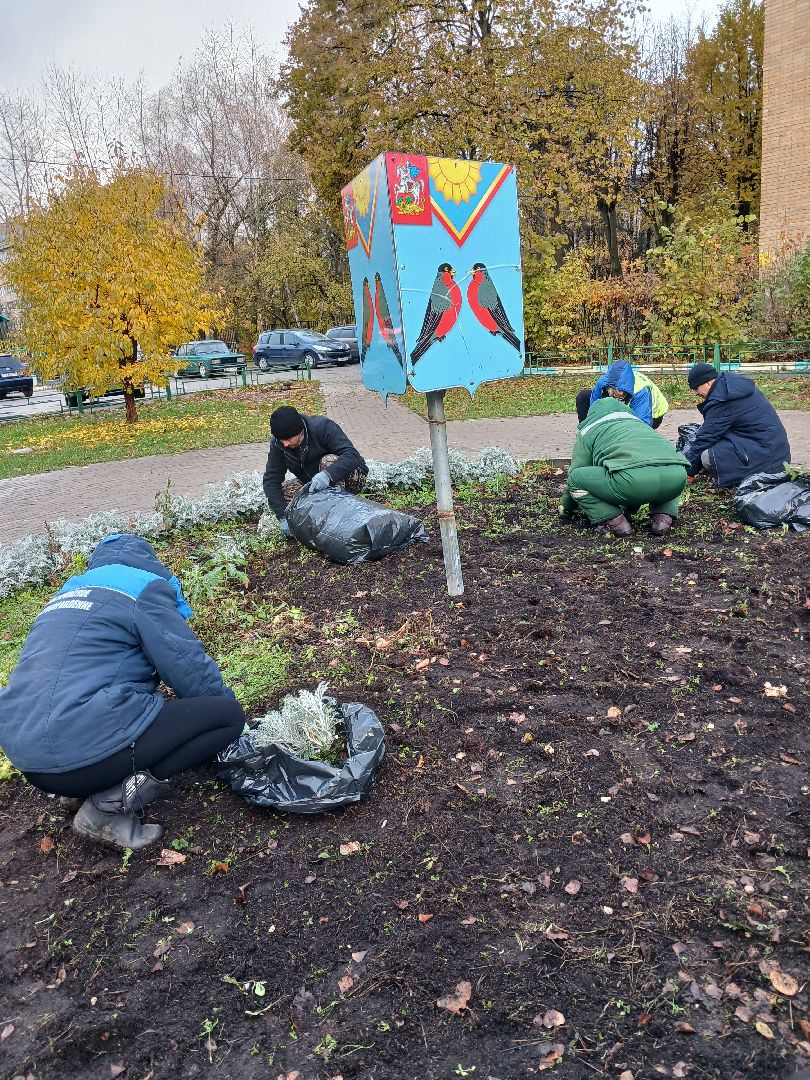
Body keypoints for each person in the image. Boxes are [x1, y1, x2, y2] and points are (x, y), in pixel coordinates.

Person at [0, 535, 244, 850]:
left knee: (139, 713)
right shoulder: (142, 587)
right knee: (225, 717)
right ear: (149, 562)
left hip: (29, 758)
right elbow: (189, 668)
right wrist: (238, 728)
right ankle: (107, 808)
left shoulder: (66, 596)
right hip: (77, 752)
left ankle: (82, 786)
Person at [561, 397, 689, 536]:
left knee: (576, 479)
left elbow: (577, 471)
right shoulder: (639, 423)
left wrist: (567, 506)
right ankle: (663, 519)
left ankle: (615, 522)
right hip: (677, 476)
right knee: (663, 465)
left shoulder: (588, 430)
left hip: (632, 482)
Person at [263, 406, 369, 537]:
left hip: (351, 478)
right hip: (315, 484)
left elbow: (352, 456)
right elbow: (271, 480)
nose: (285, 444)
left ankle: (340, 516)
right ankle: (316, 515)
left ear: (300, 431)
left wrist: (327, 475)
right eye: (281, 440)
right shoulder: (278, 444)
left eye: (289, 439)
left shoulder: (322, 427)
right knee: (284, 491)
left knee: (328, 461)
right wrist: (283, 516)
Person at [683, 363, 791, 488]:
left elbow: (706, 437)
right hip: (774, 450)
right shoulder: (731, 386)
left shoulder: (723, 399)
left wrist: (688, 472)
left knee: (707, 457)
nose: (695, 392)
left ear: (708, 382)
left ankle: (743, 477)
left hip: (769, 460)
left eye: (696, 388)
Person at [576, 359, 669, 428]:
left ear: (626, 391)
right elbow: (594, 410)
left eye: (620, 396)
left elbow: (642, 425)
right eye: (613, 395)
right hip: (624, 410)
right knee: (583, 397)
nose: (616, 397)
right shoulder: (603, 382)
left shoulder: (640, 390)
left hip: (651, 415)